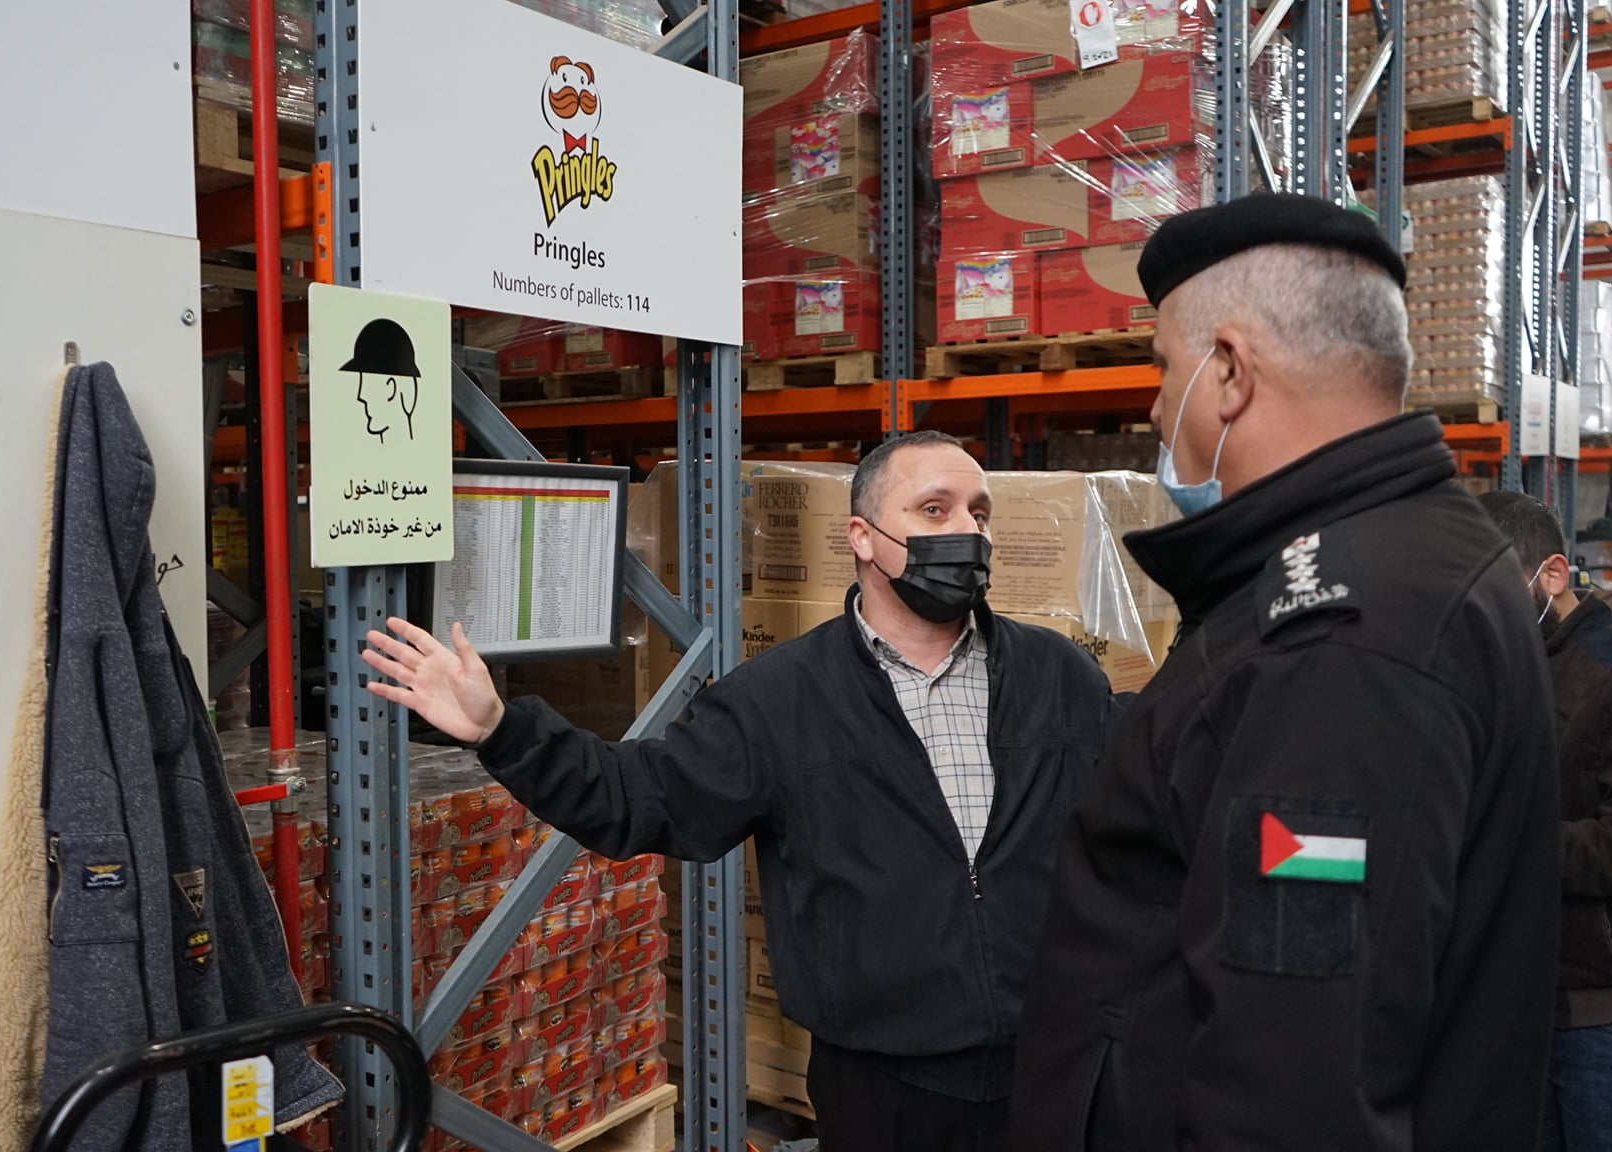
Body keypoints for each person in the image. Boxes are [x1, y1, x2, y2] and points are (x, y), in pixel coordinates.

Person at [363, 430, 1119, 1150]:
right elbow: (640, 798)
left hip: (1053, 1061)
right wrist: (501, 730)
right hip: (882, 1084)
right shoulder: (778, 699)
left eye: (978, 513)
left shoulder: (1061, 676)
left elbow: (1136, 819)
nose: (966, 532)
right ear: (862, 537)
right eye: (934, 509)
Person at [1010, 194, 1562, 1152]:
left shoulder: (1343, 643)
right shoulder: (1411, 556)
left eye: (1163, 367)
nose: (1153, 407)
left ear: (1229, 370)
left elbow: (1295, 1080)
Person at [1478, 490, 1612, 1152]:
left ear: (1553, 575)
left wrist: (1505, 844)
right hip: (1526, 1006)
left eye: (1491, 587)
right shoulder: (1503, 676)